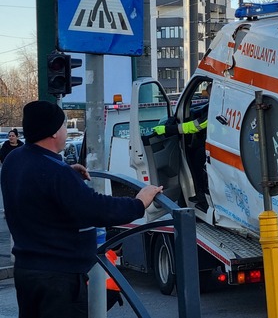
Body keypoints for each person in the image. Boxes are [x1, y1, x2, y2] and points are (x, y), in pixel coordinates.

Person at [1, 100, 163, 318]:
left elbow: (39, 182)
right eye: (63, 126)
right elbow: (95, 208)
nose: (66, 131)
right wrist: (139, 202)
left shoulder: (15, 159)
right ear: (53, 133)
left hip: (27, 271)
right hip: (58, 278)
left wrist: (66, 170)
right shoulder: (55, 173)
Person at [153, 82, 211, 210]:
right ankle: (201, 196)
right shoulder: (216, 105)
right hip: (215, 145)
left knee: (197, 158)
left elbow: (196, 126)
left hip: (215, 149)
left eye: (209, 95)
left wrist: (167, 130)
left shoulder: (217, 107)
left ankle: (203, 199)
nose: (207, 97)